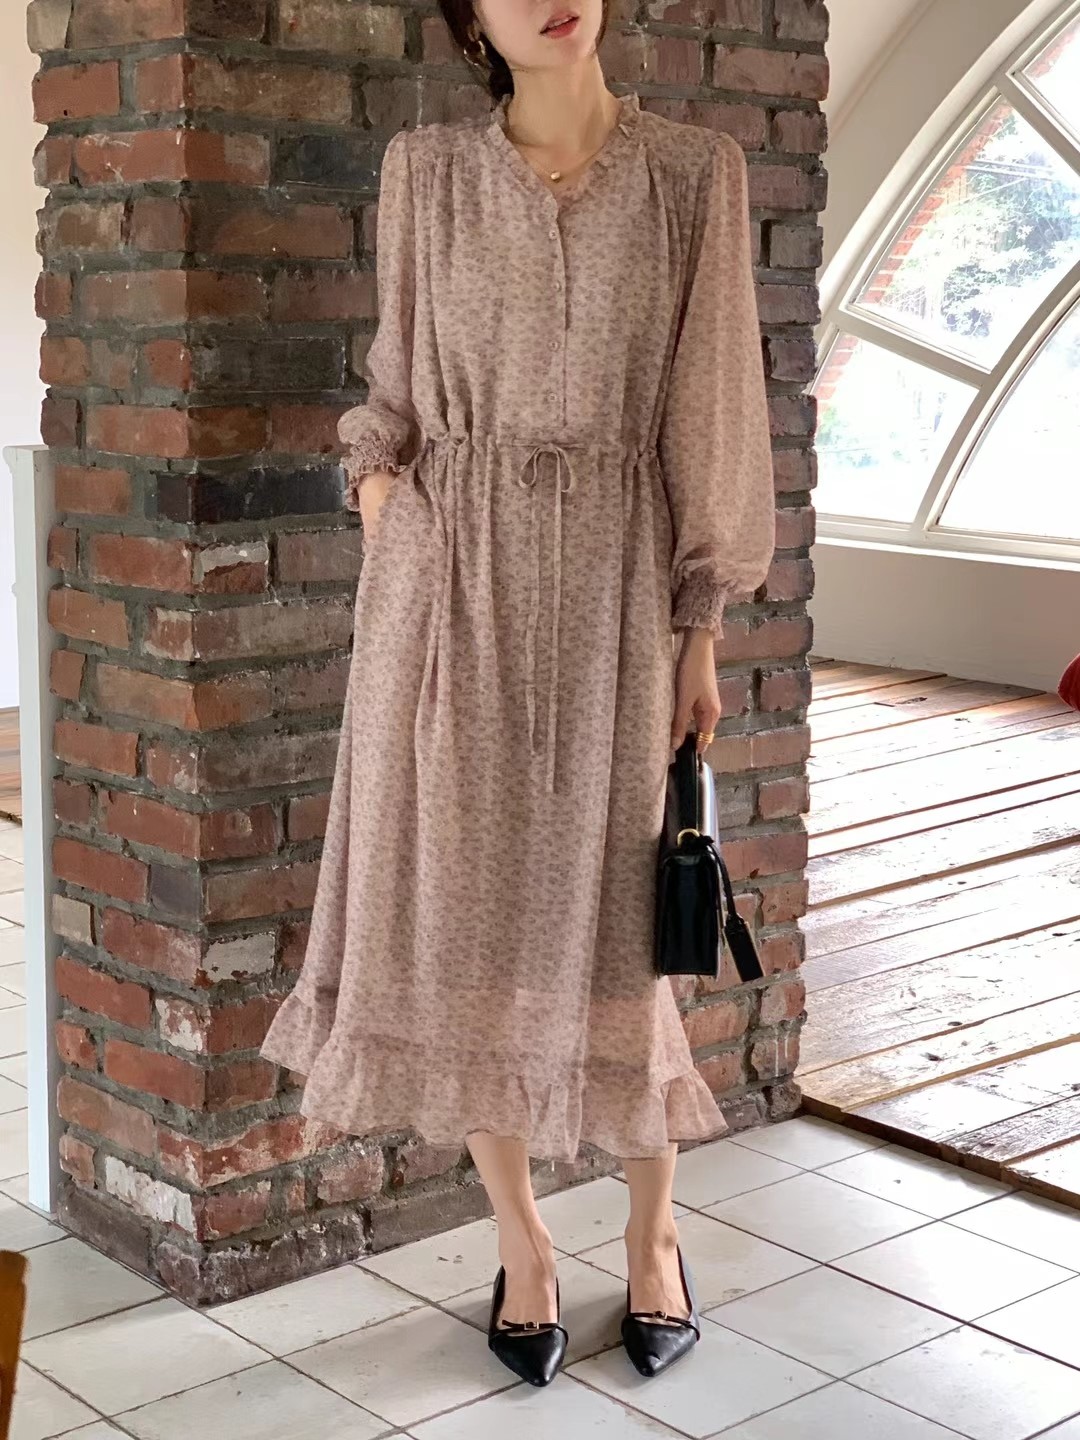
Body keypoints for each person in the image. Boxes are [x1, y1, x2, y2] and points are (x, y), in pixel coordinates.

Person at [259, 0, 776, 1387]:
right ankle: (525, 1245)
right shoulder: (427, 173)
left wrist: (701, 626)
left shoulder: (691, 174)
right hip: (445, 590)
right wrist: (384, 503)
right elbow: (394, 389)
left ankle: (655, 1238)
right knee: (460, 928)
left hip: (618, 587)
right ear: (470, 15)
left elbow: (713, 412)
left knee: (620, 936)